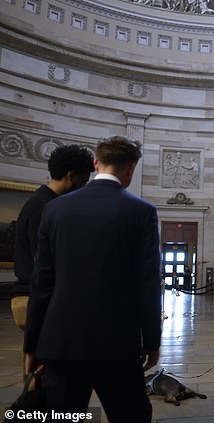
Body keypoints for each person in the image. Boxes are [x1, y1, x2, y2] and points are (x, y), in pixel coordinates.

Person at [23, 136, 161, 422]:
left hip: (60, 340)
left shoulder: (55, 208)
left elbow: (42, 283)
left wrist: (32, 343)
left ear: (96, 163)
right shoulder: (141, 212)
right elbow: (147, 283)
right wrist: (151, 340)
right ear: (131, 168)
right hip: (116, 342)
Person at [11, 144, 94, 330]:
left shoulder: (47, 203)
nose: (84, 186)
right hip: (38, 298)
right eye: (84, 180)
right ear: (70, 176)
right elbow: (43, 262)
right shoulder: (43, 207)